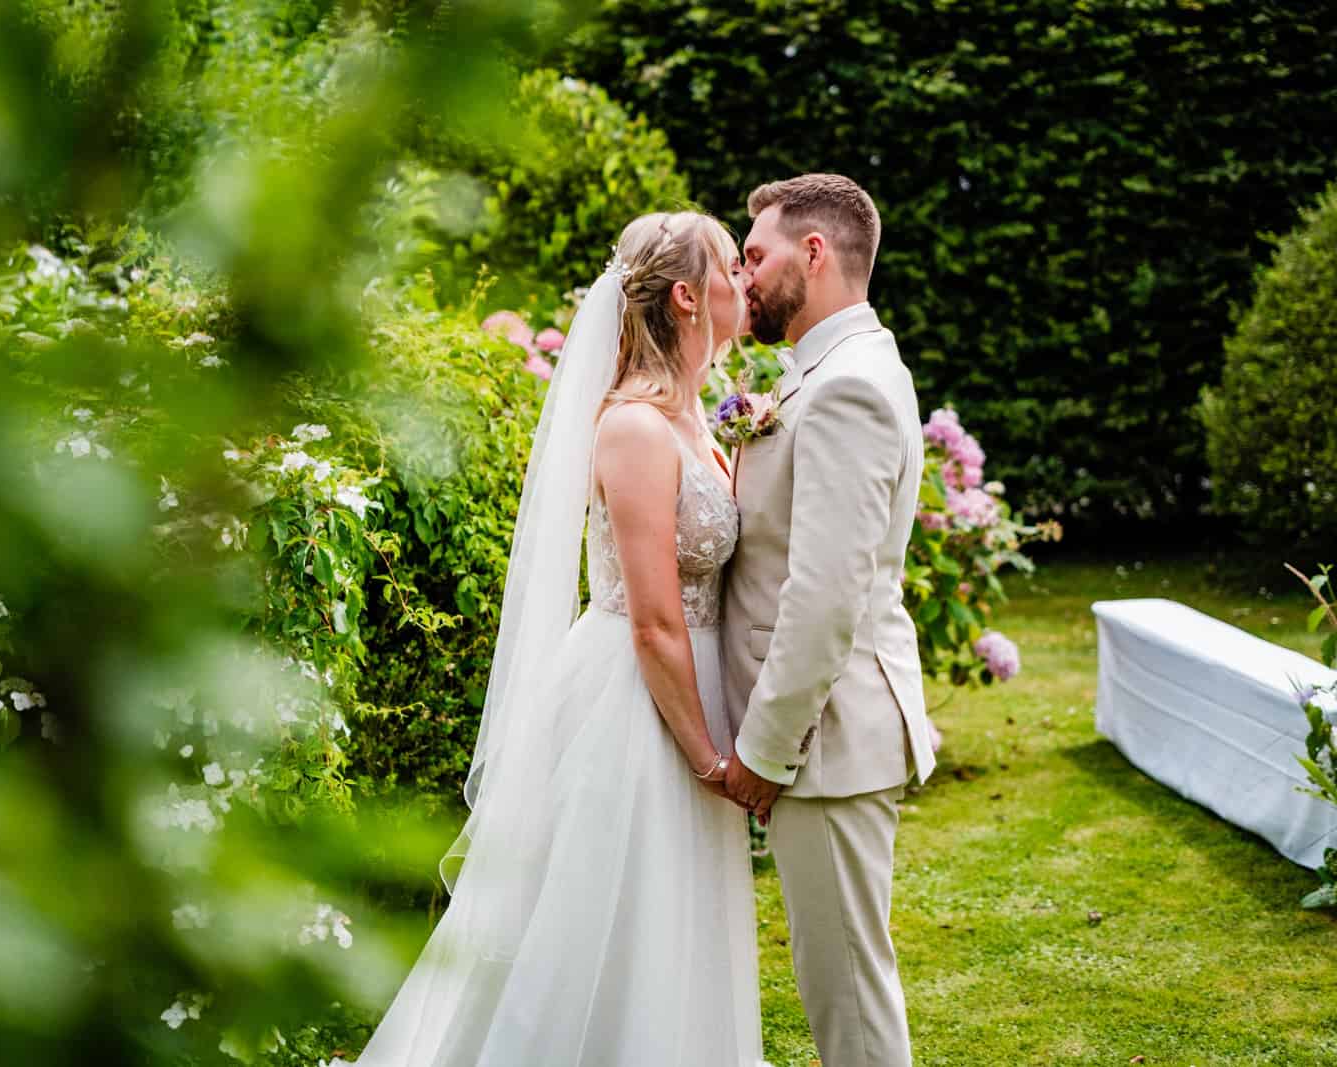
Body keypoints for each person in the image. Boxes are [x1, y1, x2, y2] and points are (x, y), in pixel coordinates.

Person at [336, 209, 763, 1066]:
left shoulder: (699, 421)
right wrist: (708, 756)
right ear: (686, 298)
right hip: (640, 706)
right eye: (728, 267)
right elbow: (651, 617)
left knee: (677, 922)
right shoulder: (636, 427)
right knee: (598, 920)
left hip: (695, 684)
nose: (744, 283)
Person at [721, 173, 936, 1067]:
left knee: (848, 998)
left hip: (826, 739)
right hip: (826, 734)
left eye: (756, 254)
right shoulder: (827, 373)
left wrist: (764, 750)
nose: (743, 277)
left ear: (815, 253)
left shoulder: (846, 387)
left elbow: (824, 595)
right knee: (839, 982)